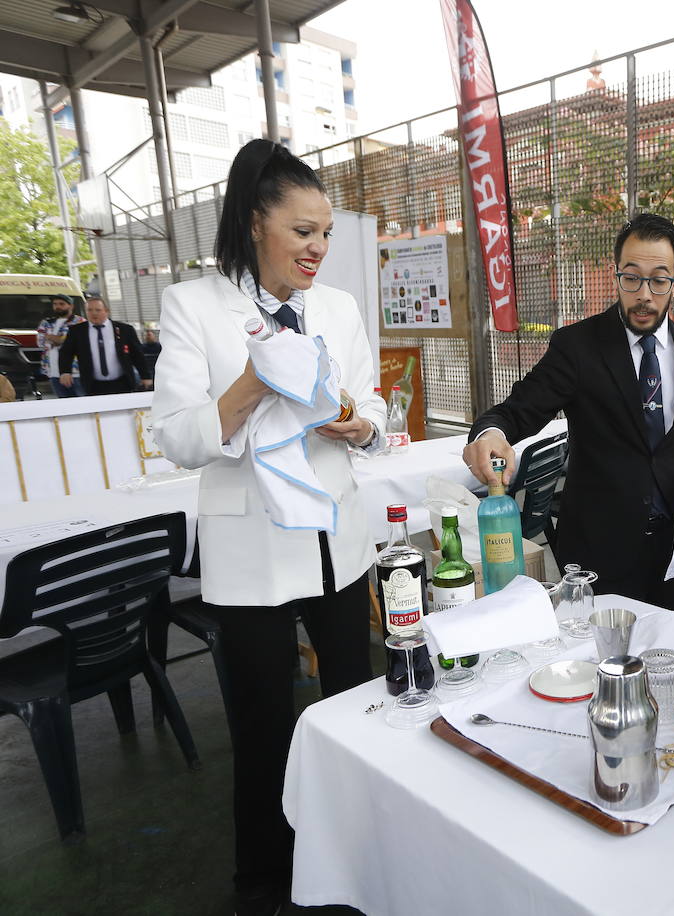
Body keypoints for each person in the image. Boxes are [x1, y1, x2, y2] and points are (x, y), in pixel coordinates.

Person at [151, 139, 385, 915]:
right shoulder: (196, 307)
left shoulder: (340, 308)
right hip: (250, 551)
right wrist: (253, 383)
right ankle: (265, 875)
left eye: (325, 233)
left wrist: (362, 427)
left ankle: (358, 842)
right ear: (256, 223)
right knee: (262, 725)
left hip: (337, 545)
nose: (319, 249)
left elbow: (373, 403)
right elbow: (179, 436)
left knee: (353, 701)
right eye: (303, 232)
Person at [462, 212, 674, 609]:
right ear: (616, 275)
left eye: (659, 279)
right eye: (631, 277)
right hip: (601, 554)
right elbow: (519, 410)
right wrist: (490, 432)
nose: (644, 294)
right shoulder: (578, 347)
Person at [57, 296, 152, 395]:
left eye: (98, 310)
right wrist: (65, 372)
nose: (94, 313)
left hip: (122, 382)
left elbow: (137, 354)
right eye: (89, 310)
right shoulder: (77, 331)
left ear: (107, 311)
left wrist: (145, 376)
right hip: (93, 384)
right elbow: (66, 353)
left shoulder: (124, 330)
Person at [36, 294, 84, 397]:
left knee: (83, 403)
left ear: (70, 306)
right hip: (53, 372)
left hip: (75, 372)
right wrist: (60, 339)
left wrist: (51, 337)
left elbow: (72, 343)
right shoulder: (46, 323)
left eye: (62, 304)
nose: (58, 306)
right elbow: (40, 342)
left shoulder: (79, 322)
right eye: (55, 304)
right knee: (63, 405)